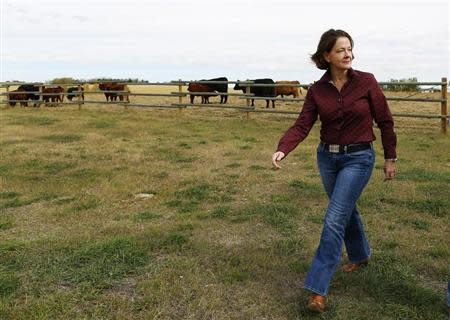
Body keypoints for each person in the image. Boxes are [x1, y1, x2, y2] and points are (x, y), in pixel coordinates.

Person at [271, 29, 397, 312]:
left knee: (334, 219)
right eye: (340, 50)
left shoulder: (366, 82)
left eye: (350, 49)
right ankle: (361, 254)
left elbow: (385, 121)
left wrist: (390, 157)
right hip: (327, 159)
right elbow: (303, 124)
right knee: (345, 209)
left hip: (359, 158)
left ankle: (318, 290)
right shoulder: (317, 91)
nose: (348, 54)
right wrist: (283, 147)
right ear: (326, 55)